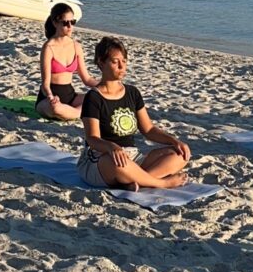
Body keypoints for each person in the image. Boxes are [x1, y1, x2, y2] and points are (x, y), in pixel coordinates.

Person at [80, 37, 193, 189]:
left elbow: (149, 130)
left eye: (124, 61)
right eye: (115, 62)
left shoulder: (132, 93)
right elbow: (92, 139)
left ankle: (134, 181)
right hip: (102, 157)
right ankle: (161, 183)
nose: (122, 66)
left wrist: (174, 141)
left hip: (132, 157)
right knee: (118, 164)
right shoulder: (93, 97)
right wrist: (111, 147)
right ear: (101, 63)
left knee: (180, 154)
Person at [35, 2, 96, 121]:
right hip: (49, 99)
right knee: (56, 108)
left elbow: (87, 79)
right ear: (55, 23)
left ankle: (75, 112)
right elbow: (45, 84)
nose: (70, 26)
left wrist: (107, 84)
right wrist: (51, 97)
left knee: (97, 98)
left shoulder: (76, 46)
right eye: (65, 23)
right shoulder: (48, 48)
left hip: (70, 96)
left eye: (72, 22)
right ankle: (80, 112)